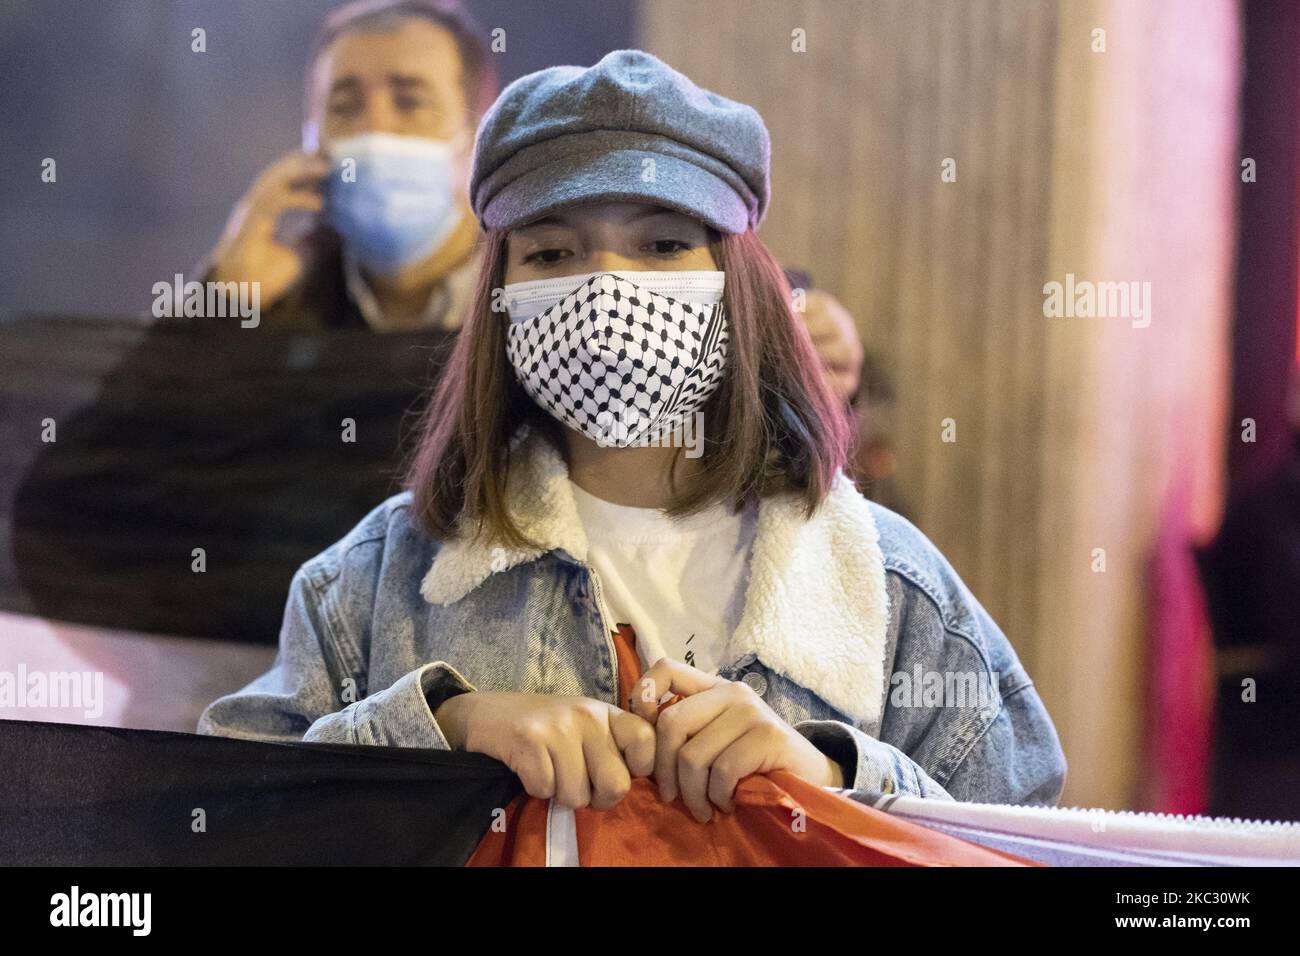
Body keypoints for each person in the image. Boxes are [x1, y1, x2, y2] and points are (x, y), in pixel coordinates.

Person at [199, 49, 1067, 819]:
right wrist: (443, 725)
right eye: (551, 253)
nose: (606, 288)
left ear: (736, 282)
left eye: (660, 245)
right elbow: (222, 811)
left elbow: (1024, 831)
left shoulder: (888, 583)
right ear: (497, 298)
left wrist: (830, 777)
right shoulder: (382, 572)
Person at [199, 0, 866, 401]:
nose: (376, 128)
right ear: (309, 136)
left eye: (410, 101)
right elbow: (125, 471)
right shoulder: (272, 296)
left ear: (476, 126)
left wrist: (803, 351)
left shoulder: (556, 280)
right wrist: (220, 306)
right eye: (344, 106)